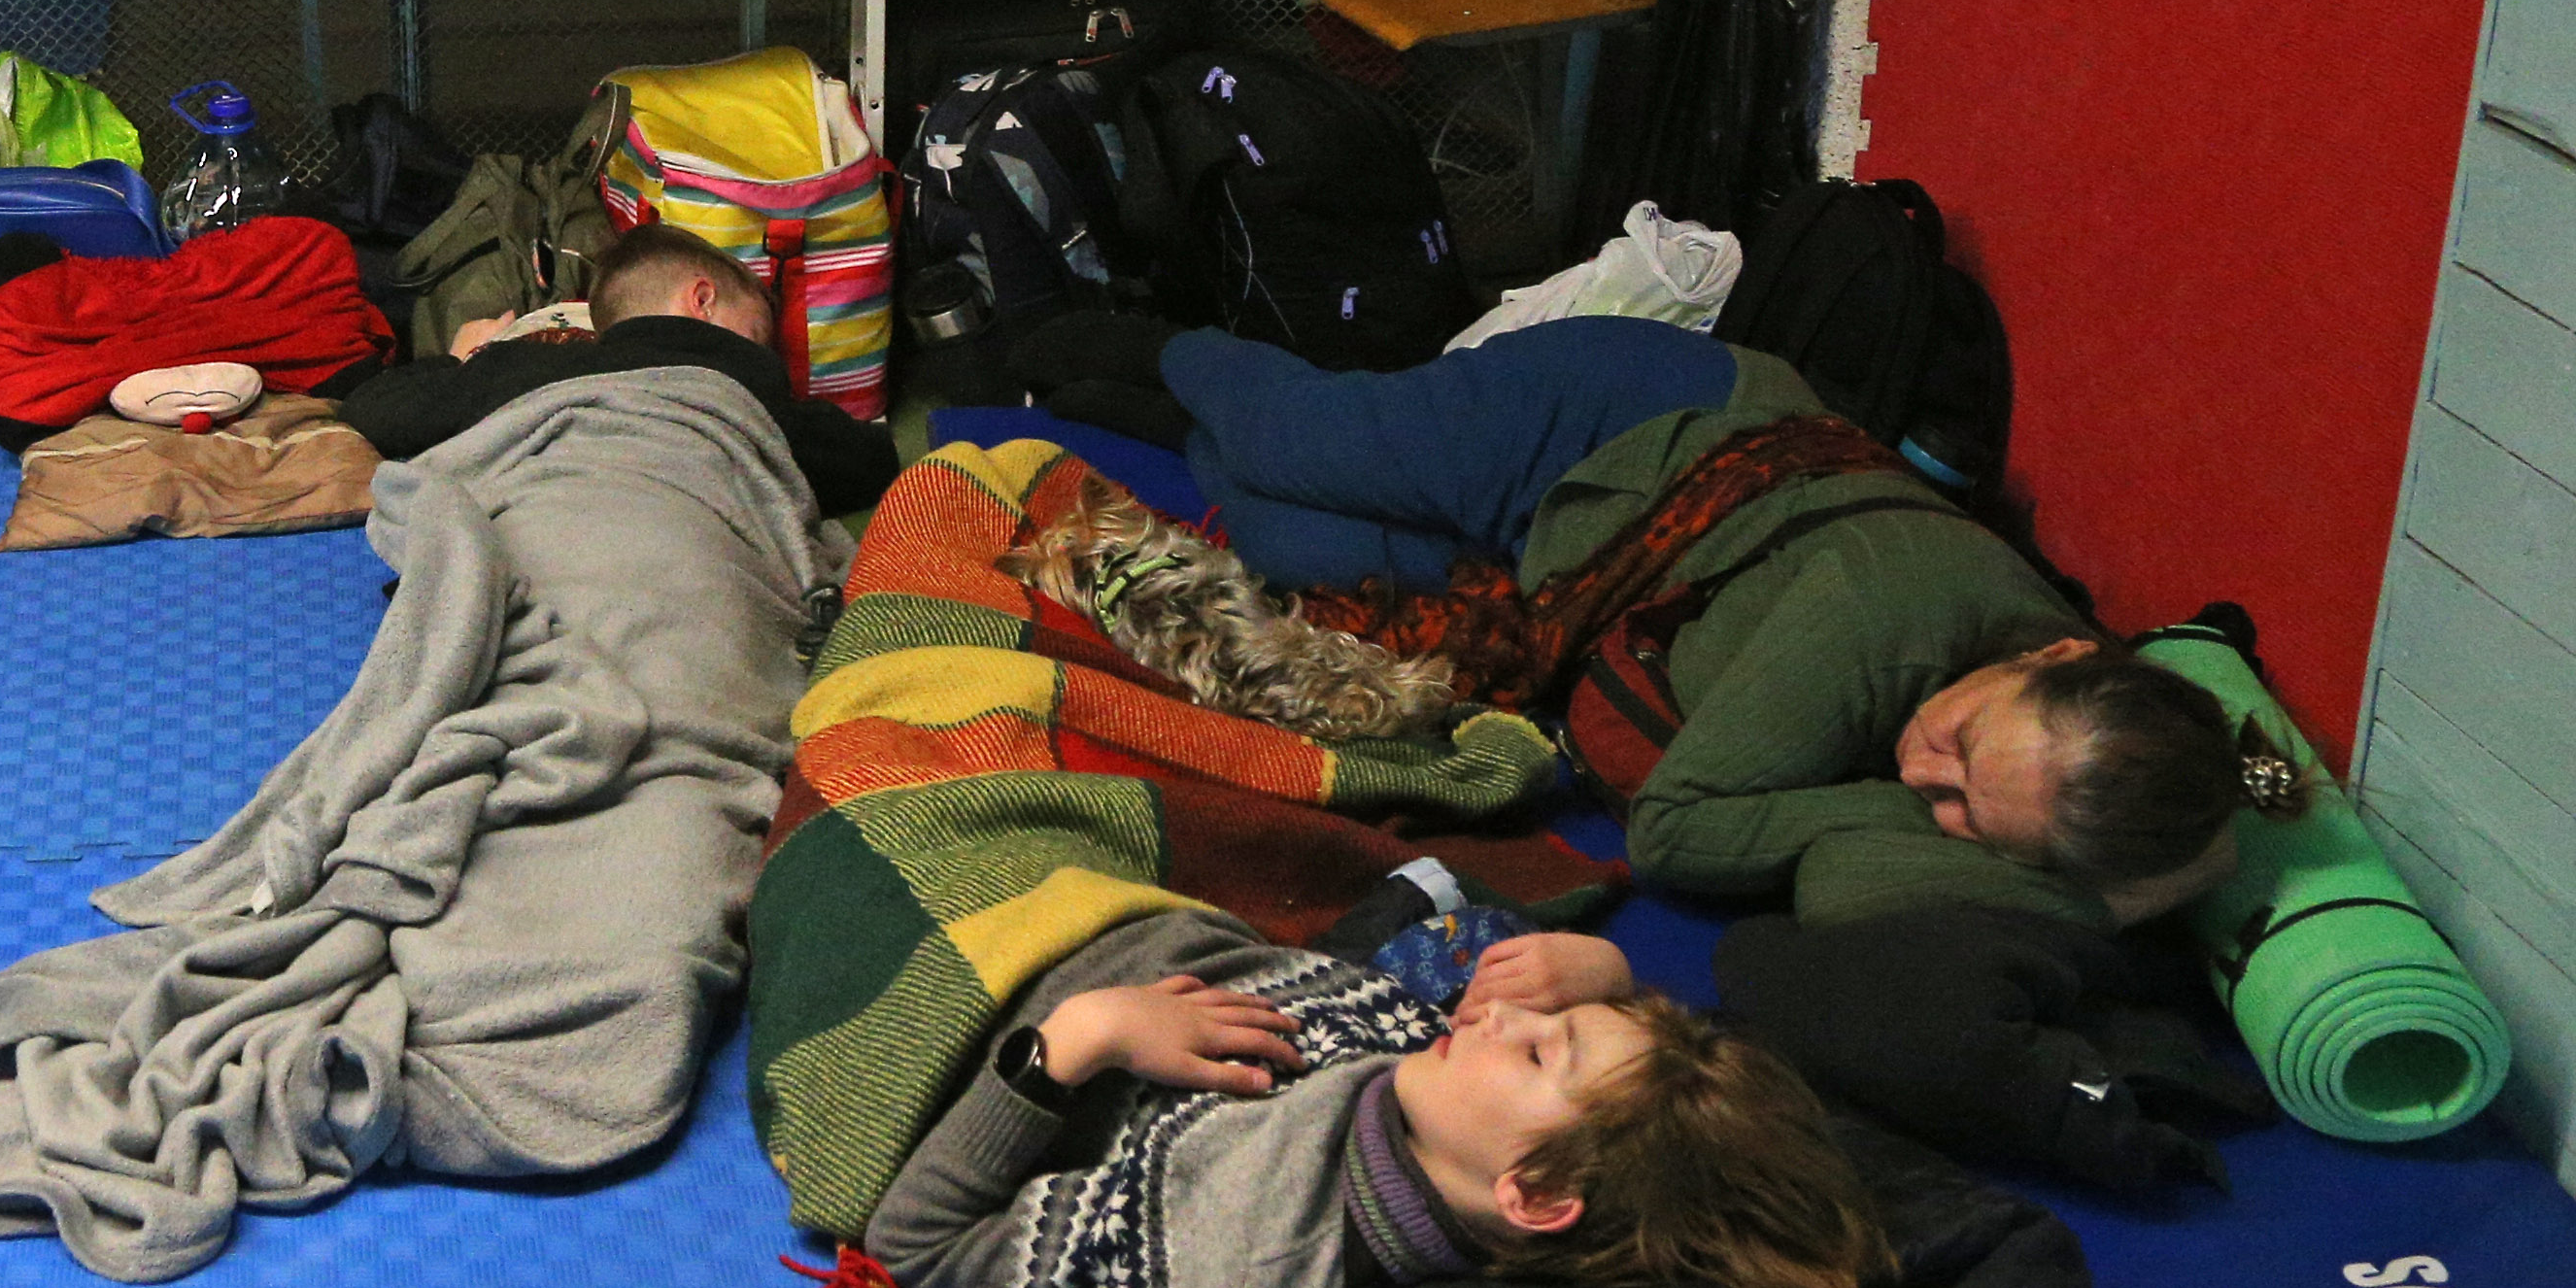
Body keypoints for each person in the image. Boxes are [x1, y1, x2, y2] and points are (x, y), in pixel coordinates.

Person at [1012, 308, 2249, 930]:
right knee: (1311, 437)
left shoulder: (2072, 772)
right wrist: (2039, 876)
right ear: (2052, 651)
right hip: (1638, 422)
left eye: (1969, 817)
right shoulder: (1886, 609)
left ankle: (1163, 422)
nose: (1924, 775)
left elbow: (1842, 878)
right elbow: (1678, 832)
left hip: (1579, 568)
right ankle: (1148, 335)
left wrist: (2095, 887)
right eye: (1964, 742)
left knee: (1289, 541)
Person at [862, 915, 1886, 1288]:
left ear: (1533, 1195)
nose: (1501, 1020)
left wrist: (1076, 1040)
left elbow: (919, 1241)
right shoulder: (1432, 1082)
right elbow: (1439, 941)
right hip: (1095, 895)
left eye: (1541, 1050)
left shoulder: (1235, 1265)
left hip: (953, 968)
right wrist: (1597, 969)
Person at [343, 223, 898, 515]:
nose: (766, 356)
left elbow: (372, 411)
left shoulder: (519, 369)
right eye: (756, 333)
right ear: (702, 299)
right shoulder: (756, 404)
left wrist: (461, 359)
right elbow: (872, 461)